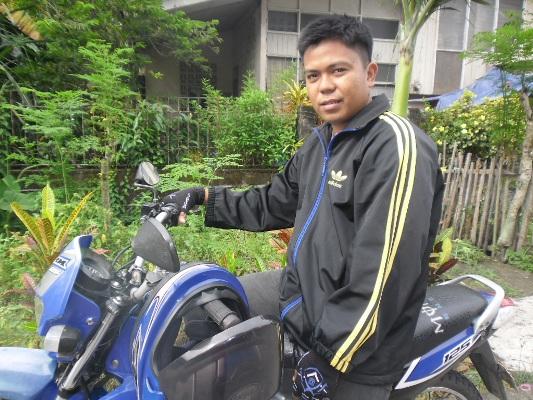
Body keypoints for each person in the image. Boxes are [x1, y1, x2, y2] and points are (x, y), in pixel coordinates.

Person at [163, 15, 444, 400]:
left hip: (360, 347)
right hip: (299, 294)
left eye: (338, 70)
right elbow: (272, 202)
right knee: (209, 301)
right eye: (313, 76)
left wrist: (329, 357)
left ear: (370, 73)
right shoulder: (321, 142)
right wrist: (203, 197)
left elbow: (384, 277)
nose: (324, 85)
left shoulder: (394, 147)